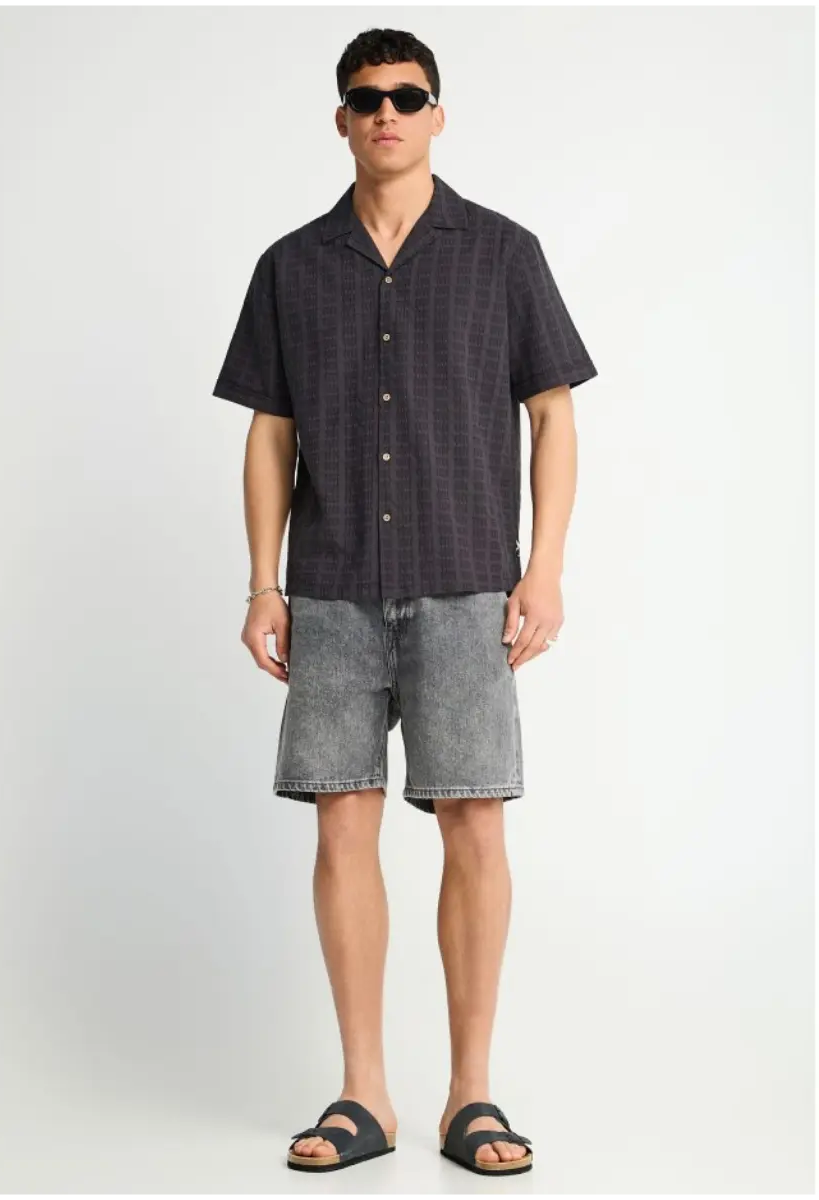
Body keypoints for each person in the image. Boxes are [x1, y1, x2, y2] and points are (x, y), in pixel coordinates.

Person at [212, 26, 597, 1178]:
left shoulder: (504, 253)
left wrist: (545, 567)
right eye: (367, 95)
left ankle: (471, 1095)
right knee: (343, 827)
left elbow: (553, 414)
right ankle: (364, 1095)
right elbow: (269, 432)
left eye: (408, 94)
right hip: (331, 590)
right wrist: (264, 581)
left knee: (474, 824)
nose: (387, 110)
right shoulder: (292, 266)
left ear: (438, 114)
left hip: (467, 585)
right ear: (342, 118)